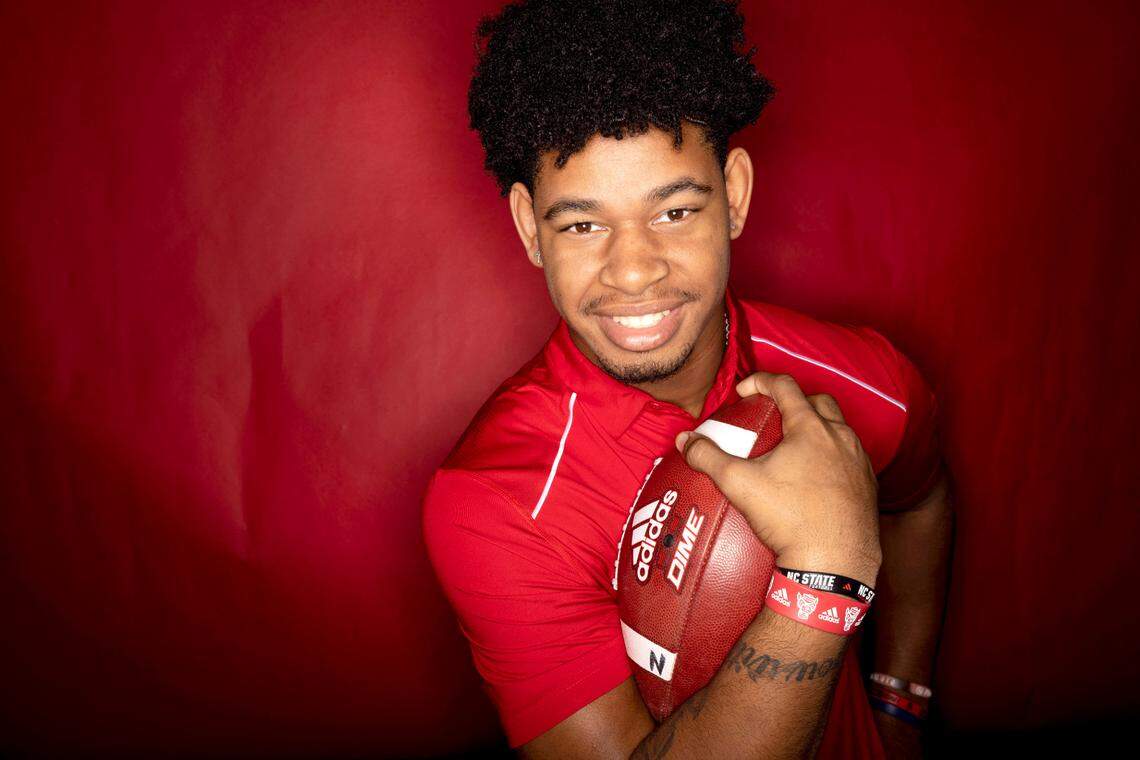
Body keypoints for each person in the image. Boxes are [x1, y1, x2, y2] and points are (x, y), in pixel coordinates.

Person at [422, 1, 954, 757]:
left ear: (732, 196)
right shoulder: (498, 502)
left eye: (673, 211)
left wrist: (901, 704)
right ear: (528, 227)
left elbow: (922, 498)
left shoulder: (862, 378)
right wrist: (824, 574)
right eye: (582, 224)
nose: (633, 270)